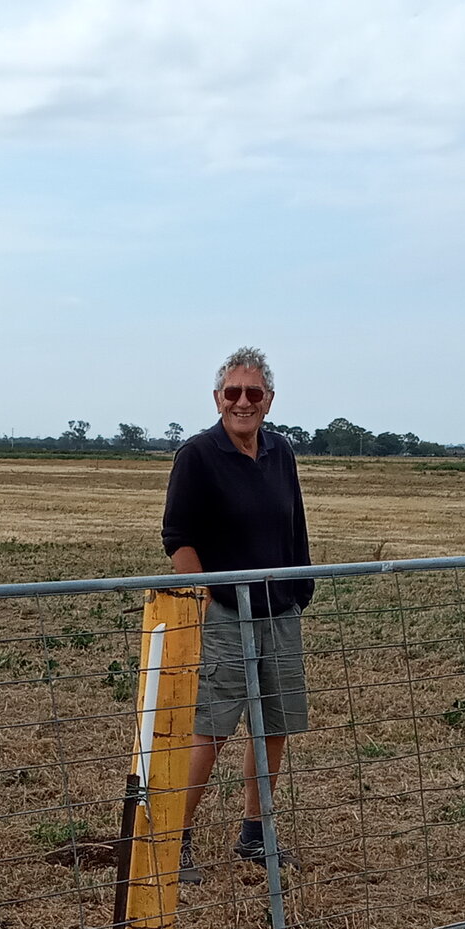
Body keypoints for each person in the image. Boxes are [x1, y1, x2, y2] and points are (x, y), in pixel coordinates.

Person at [159, 346, 311, 878]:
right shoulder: (197, 455)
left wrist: (299, 588)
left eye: (253, 393)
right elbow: (177, 537)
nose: (242, 402)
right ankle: (174, 839)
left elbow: (295, 527)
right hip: (225, 611)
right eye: (233, 393)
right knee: (211, 728)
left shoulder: (281, 451)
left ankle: (254, 832)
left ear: (269, 400)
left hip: (279, 609)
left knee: (275, 726)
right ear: (217, 398)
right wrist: (205, 596)